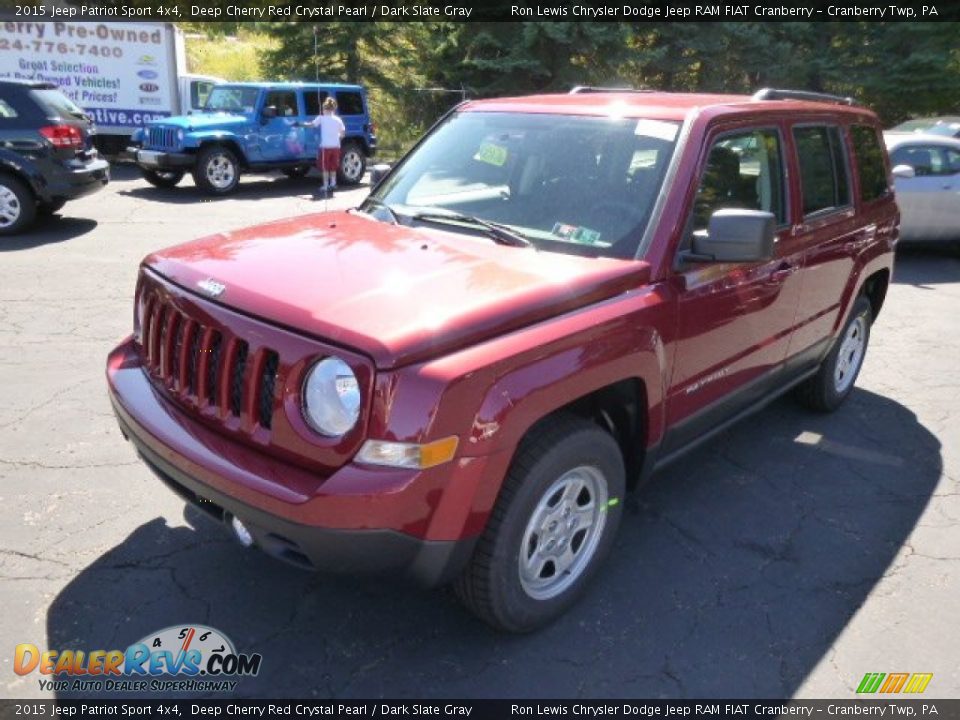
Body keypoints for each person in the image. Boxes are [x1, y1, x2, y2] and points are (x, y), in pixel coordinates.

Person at [300, 96, 345, 196]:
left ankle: (325, 185)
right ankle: (333, 184)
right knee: (333, 167)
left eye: (323, 109)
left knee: (325, 167)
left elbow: (311, 125)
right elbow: (342, 134)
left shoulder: (321, 118)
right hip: (336, 147)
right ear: (333, 109)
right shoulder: (338, 120)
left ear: (325, 109)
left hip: (325, 147)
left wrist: (301, 125)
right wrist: (337, 139)